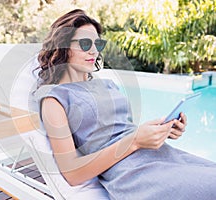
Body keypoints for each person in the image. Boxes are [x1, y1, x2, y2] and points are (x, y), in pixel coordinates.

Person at [33, 9, 216, 200]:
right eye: (85, 44)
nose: (94, 51)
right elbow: (72, 173)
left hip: (163, 156)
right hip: (133, 173)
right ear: (63, 47)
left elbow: (124, 131)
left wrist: (161, 131)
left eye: (98, 44)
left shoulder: (107, 84)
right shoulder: (55, 99)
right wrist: (136, 141)